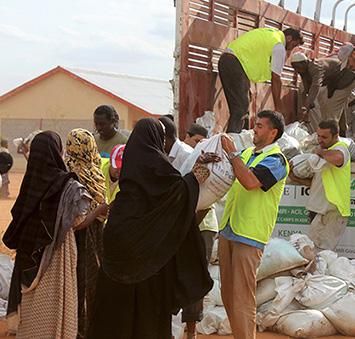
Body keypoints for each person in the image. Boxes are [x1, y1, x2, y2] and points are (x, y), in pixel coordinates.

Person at [88, 118, 220, 339]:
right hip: (150, 264)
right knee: (148, 317)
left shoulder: (125, 194)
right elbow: (180, 194)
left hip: (118, 245)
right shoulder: (162, 173)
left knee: (115, 316)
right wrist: (198, 171)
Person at [3, 131, 107, 338]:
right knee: (55, 301)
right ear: (58, 151)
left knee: (32, 304)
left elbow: (18, 216)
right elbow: (78, 223)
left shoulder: (30, 182)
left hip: (29, 258)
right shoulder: (68, 185)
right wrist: (100, 210)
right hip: (58, 254)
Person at [219, 110, 289, 339]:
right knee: (228, 294)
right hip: (231, 228)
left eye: (259, 126)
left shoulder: (277, 160)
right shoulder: (248, 153)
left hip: (249, 234)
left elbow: (250, 182)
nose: (254, 130)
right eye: (254, 125)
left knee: (242, 296)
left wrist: (232, 155)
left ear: (273, 132)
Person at [159, 117, 218, 339]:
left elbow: (202, 191)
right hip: (175, 225)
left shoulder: (186, 154)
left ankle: (191, 331)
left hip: (199, 224)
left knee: (193, 276)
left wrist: (186, 223)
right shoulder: (160, 155)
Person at [65, 128, 108, 339]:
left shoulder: (71, 172)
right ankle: (87, 328)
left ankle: (81, 327)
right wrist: (100, 210)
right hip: (89, 232)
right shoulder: (90, 172)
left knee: (81, 280)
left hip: (83, 233)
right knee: (88, 279)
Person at [218, 28, 303, 133]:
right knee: (240, 108)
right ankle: (230, 141)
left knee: (243, 105)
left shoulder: (271, 34)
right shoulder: (279, 46)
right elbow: (276, 78)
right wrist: (278, 108)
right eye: (294, 45)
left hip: (229, 60)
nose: (292, 48)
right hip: (235, 63)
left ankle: (241, 138)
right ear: (289, 38)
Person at [289, 120, 350, 251]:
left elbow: (338, 158)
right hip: (319, 211)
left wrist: (319, 152)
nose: (320, 140)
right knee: (316, 253)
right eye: (318, 136)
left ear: (335, 136)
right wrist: (293, 177)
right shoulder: (324, 155)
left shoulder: (340, 148)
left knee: (319, 254)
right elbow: (315, 184)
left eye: (324, 137)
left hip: (330, 212)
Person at [291, 52, 355, 133]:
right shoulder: (303, 70)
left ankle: (334, 136)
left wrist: (308, 104)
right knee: (330, 109)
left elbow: (316, 85)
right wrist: (307, 107)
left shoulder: (316, 67)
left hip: (342, 79)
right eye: (294, 68)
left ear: (304, 63)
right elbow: (307, 89)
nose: (296, 70)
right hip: (332, 83)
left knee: (330, 113)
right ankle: (341, 131)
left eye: (297, 67)